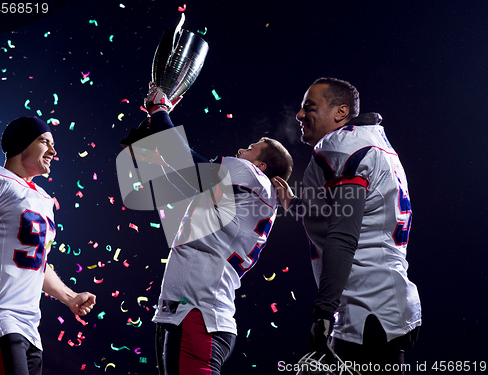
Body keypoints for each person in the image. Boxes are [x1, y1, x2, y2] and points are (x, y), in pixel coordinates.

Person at [121, 83, 293, 375]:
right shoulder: (244, 196)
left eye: (250, 149)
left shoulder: (250, 175)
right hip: (194, 312)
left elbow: (185, 161)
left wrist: (161, 110)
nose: (240, 150)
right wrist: (148, 133)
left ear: (262, 166)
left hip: (198, 315)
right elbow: (171, 170)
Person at [273, 78, 421, 374]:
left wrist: (322, 314)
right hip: (386, 298)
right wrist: (294, 204)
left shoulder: (343, 146)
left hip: (366, 308)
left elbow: (343, 234)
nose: (299, 115)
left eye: (309, 107)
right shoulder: (372, 141)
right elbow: (348, 212)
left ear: (340, 112)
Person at [0, 116, 97, 375]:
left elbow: (37, 260)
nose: (53, 151)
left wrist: (70, 298)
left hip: (30, 329)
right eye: (44, 141)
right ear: (21, 144)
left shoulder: (44, 199)